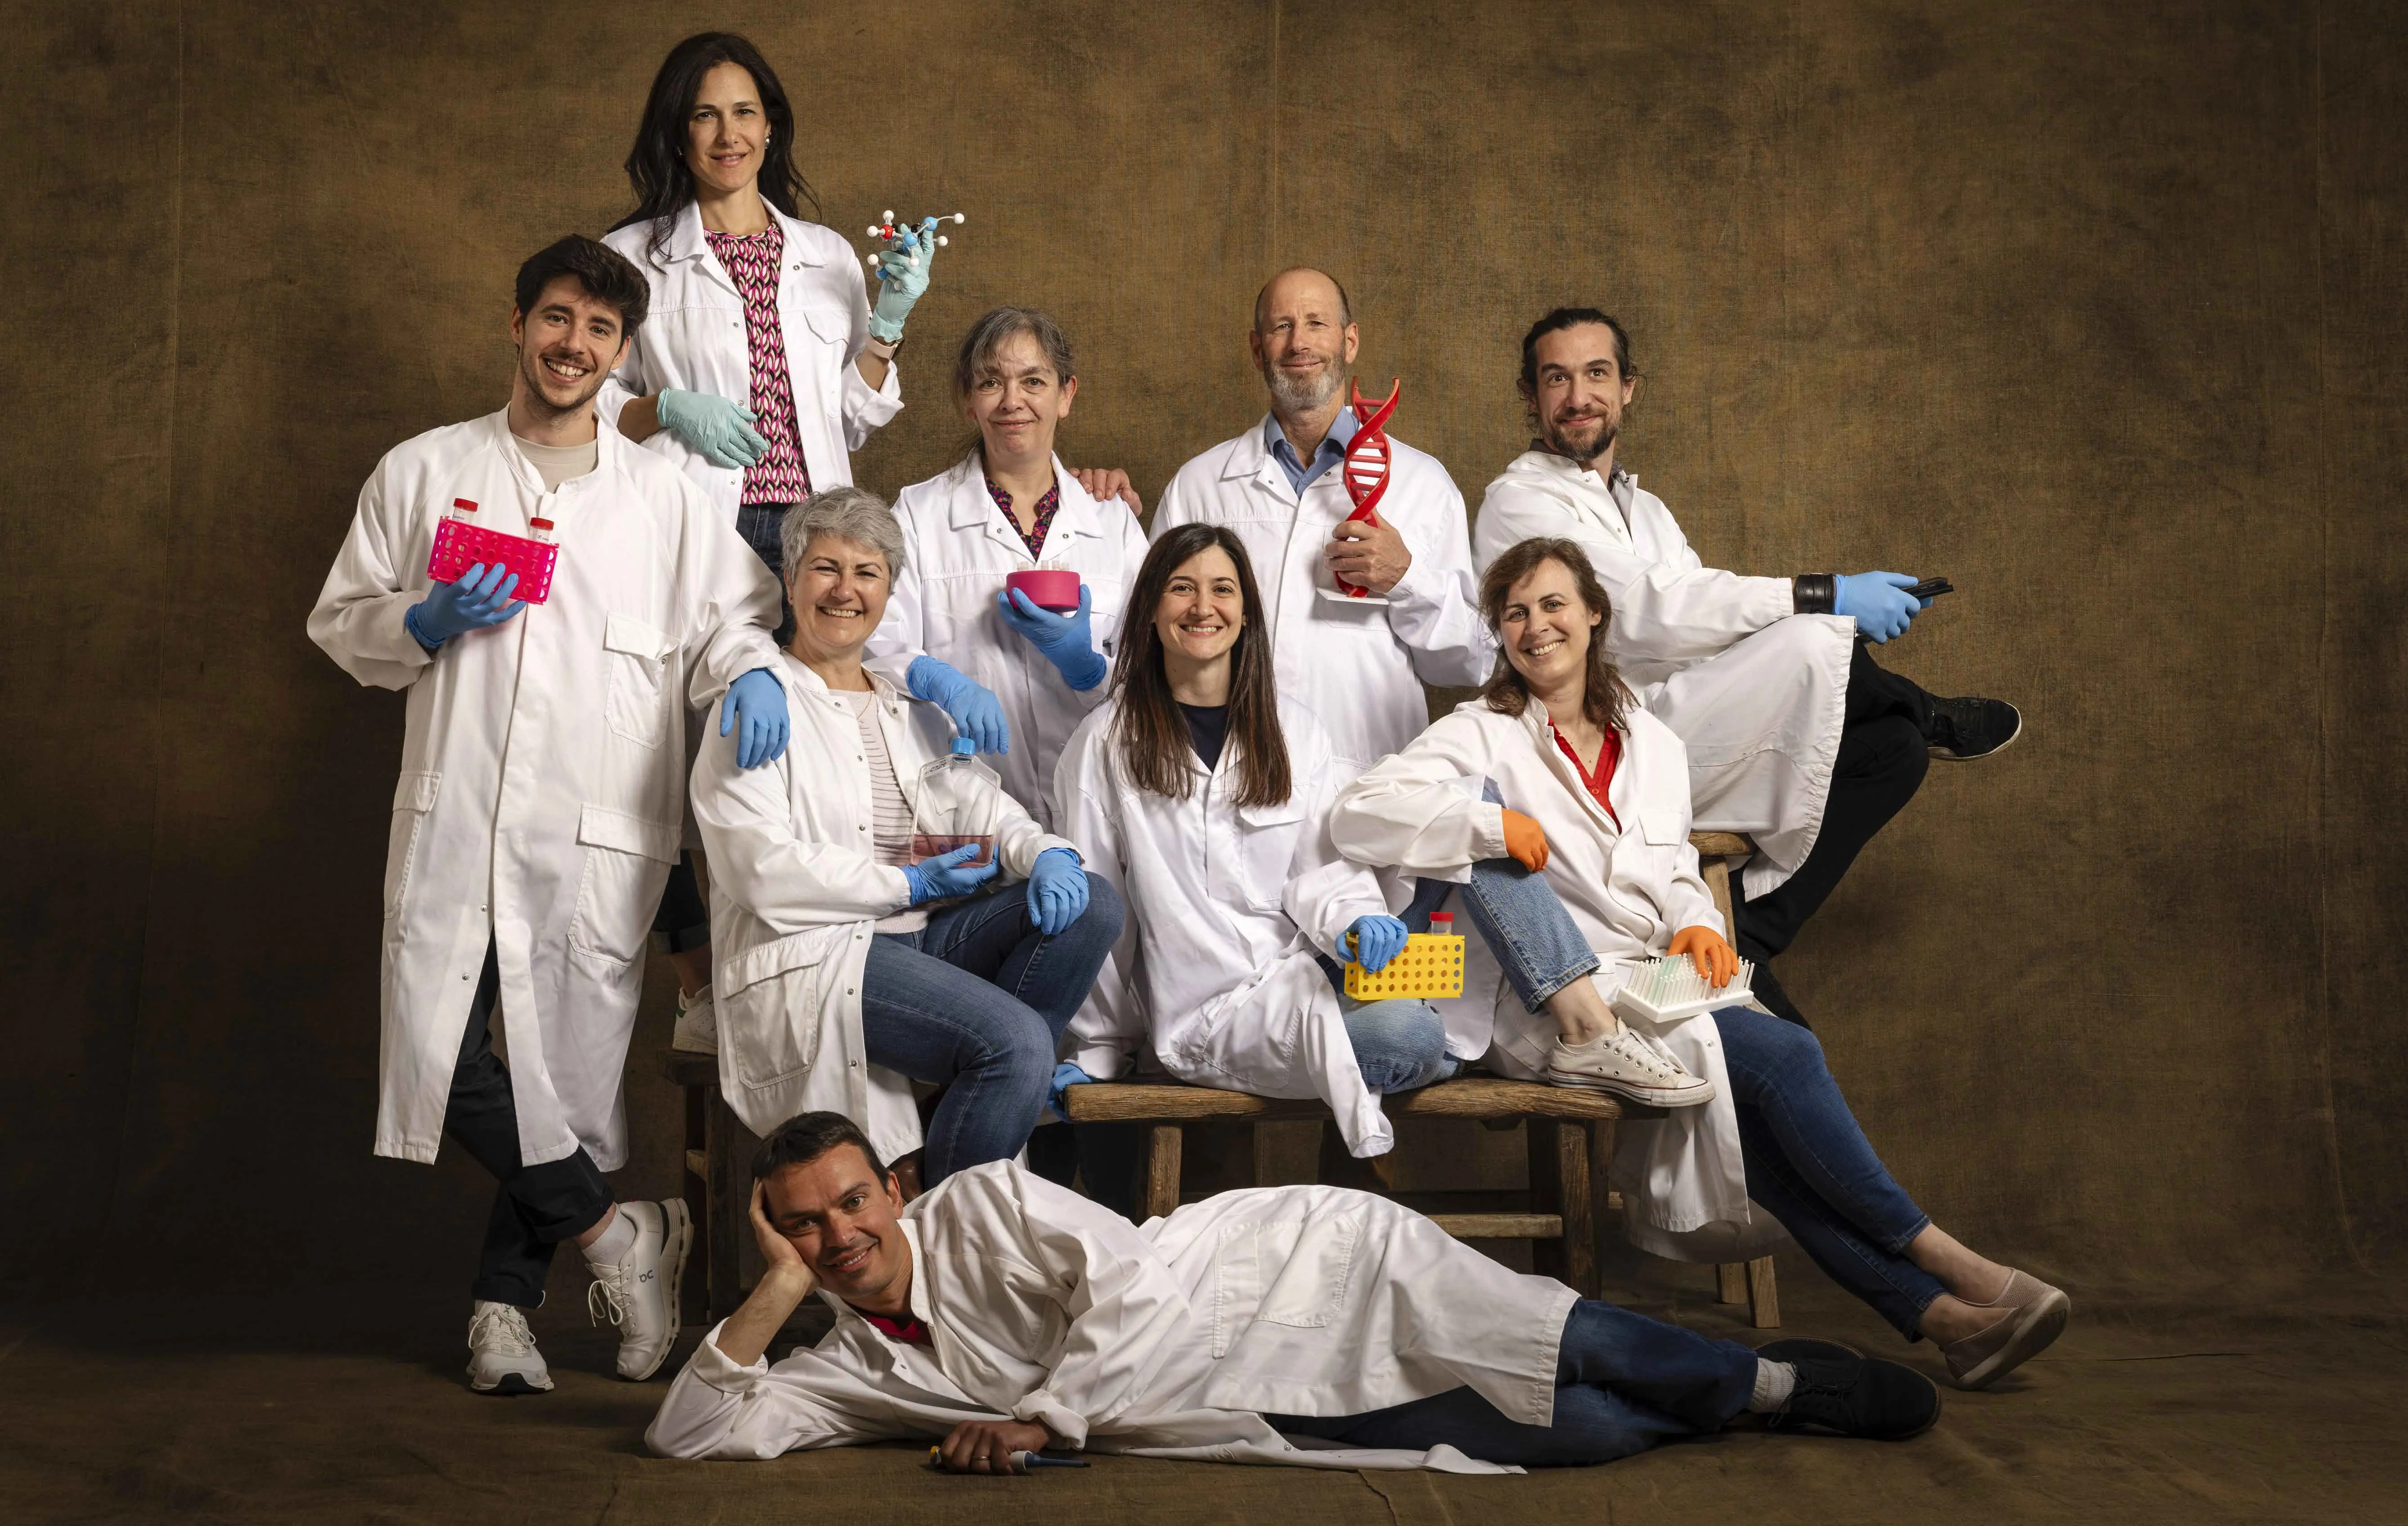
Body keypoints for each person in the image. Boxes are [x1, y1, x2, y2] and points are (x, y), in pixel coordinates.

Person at [1330, 539, 2071, 1391]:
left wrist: (1694, 921)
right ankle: (1952, 1258)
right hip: (1559, 999)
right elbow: (1362, 811)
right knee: (1786, 1056)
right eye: (1516, 613)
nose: (1537, 627)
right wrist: (1491, 829)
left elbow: (1676, 860)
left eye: (1554, 604)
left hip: (1656, 977)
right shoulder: (1478, 732)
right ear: (1499, 633)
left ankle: (1945, 1320)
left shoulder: (1651, 739)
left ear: (1595, 613)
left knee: (1757, 1128)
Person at [307, 235, 794, 1395]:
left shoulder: (664, 500)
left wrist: (754, 673)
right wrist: (419, 623)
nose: (573, 344)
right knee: (444, 1050)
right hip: (458, 815)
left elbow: (738, 613)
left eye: (599, 330)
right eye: (557, 319)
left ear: (623, 353)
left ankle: (503, 1311)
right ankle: (621, 1234)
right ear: (518, 324)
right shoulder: (424, 470)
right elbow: (342, 616)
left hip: (593, 830)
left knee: (554, 1074)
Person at [645, 1111, 1943, 1467]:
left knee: (1533, 1328)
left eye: (852, 1203)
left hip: (1279, 1271)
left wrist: (1046, 1420)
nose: (840, 1237)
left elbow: (1134, 1289)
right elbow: (690, 1432)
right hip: (1244, 1405)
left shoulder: (980, 1198)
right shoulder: (844, 1373)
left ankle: (1777, 1383)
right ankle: (1733, 1407)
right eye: (804, 1228)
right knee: (1584, 1429)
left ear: (895, 1184)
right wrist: (766, 1292)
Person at [595, 31, 997, 1051]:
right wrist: (661, 409)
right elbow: (585, 394)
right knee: (684, 755)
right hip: (700, 527)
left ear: (770, 126)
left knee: (820, 750)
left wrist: (890, 322)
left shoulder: (824, 255)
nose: (726, 133)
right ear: (676, 134)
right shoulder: (634, 255)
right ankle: (698, 982)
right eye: (704, 114)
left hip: (815, 522)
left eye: (744, 112)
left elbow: (854, 417)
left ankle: (827, 964)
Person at [1472, 310, 2023, 1021]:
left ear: (1628, 388)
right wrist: (1823, 596)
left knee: (1894, 753)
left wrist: (1809, 630)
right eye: (1557, 378)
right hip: (1601, 753)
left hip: (1683, 730)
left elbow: (1706, 626)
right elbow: (1643, 609)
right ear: (1530, 395)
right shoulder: (1518, 500)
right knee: (1806, 639)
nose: (1578, 395)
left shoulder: (1649, 513)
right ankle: (1928, 708)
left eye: (1596, 374)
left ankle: (1757, 932)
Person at [687, 487, 1125, 1187]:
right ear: (792, 581)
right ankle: (958, 1234)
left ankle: (982, 1114)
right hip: (818, 950)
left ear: (889, 592)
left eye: (867, 573)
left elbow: (974, 801)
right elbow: (755, 869)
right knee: (1014, 1041)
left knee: (1094, 903)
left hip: (920, 939)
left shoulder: (905, 707)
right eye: (826, 568)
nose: (845, 590)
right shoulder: (758, 701)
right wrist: (907, 883)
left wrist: (1043, 852)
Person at [1052, 524, 1450, 1160]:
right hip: (1208, 1014)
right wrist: (1099, 1044)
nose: (1202, 607)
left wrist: (1357, 920)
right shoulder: (1104, 742)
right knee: (1405, 1036)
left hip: (1308, 967)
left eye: (1222, 590)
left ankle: (1434, 1040)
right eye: (1180, 588)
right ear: (1150, 610)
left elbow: (1323, 867)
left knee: (1434, 989)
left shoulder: (1295, 730)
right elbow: (1103, 909)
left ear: (1246, 614)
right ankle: (1430, 1051)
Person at [1087, 269, 1490, 766]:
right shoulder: (1199, 486)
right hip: (1228, 780)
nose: (1299, 342)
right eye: (1281, 327)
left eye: (1316, 323)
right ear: (1257, 350)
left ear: (1349, 341)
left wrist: (1405, 580)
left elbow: (1469, 663)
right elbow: (1148, 640)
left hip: (1369, 787)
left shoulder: (1422, 484)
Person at [866, 309, 1149, 826]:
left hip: (1099, 808)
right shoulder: (917, 515)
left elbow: (1156, 670)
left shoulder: (1113, 523)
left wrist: (1090, 671)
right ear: (969, 402)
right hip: (965, 807)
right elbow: (873, 646)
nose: (1012, 401)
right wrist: (937, 679)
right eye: (990, 382)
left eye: (1033, 381)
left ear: (1066, 395)